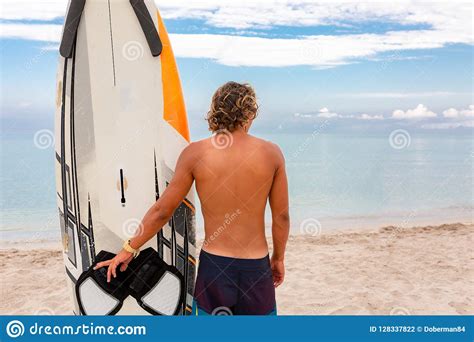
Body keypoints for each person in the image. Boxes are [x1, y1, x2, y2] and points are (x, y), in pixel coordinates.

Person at [94, 81, 290, 315]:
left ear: (216, 112)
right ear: (249, 113)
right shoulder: (271, 154)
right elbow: (282, 217)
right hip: (256, 268)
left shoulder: (196, 154)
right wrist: (278, 259)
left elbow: (162, 211)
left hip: (215, 268)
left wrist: (129, 248)